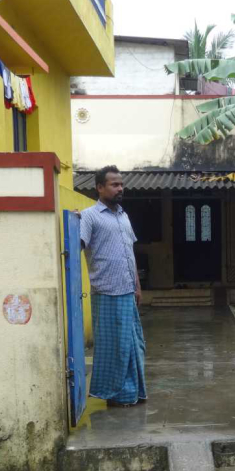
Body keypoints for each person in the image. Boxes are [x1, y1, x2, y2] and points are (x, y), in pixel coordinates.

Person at [79, 165, 146, 407]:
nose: (120, 188)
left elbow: (130, 253)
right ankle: (115, 396)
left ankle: (132, 393)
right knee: (114, 348)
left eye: (121, 184)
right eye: (114, 184)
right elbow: (76, 244)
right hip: (106, 292)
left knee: (134, 345)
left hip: (128, 291)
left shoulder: (123, 216)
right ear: (100, 187)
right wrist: (72, 222)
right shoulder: (89, 216)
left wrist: (137, 285)